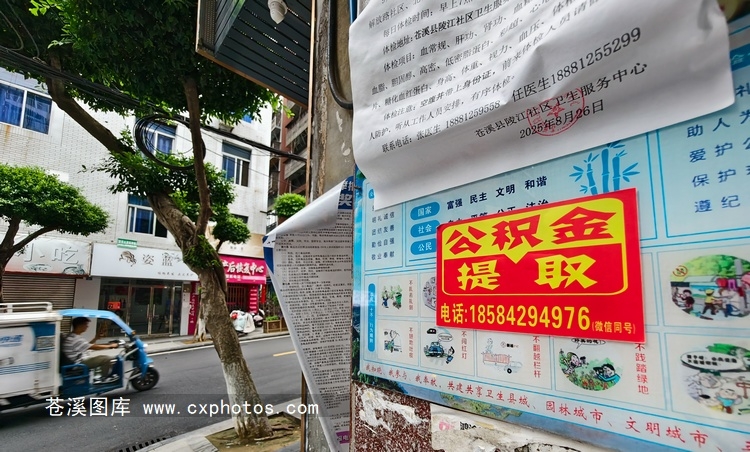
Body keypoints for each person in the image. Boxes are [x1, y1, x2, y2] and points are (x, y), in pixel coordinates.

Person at [63, 317, 119, 382]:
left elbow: (86, 346)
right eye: (85, 324)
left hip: (79, 360)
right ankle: (103, 379)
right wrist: (110, 346)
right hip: (78, 364)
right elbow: (94, 347)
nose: (87, 326)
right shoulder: (75, 339)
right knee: (106, 359)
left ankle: (100, 377)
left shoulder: (73, 336)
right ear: (79, 325)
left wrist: (96, 338)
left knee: (101, 357)